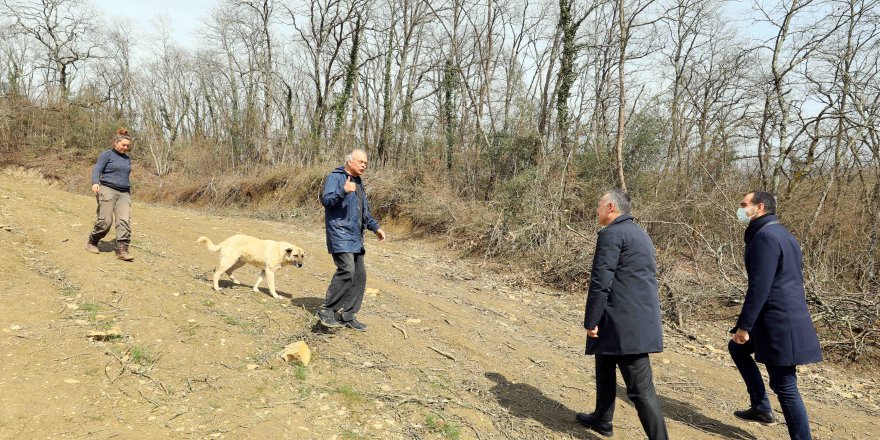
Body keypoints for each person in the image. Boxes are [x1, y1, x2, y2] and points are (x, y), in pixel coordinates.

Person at [728, 191, 822, 440]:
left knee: (785, 385)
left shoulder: (766, 237)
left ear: (759, 208)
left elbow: (760, 286)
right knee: (737, 349)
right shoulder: (782, 233)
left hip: (779, 323)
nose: (740, 209)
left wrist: (744, 326)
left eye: (743, 205)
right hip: (778, 317)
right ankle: (760, 407)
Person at [577, 190, 669, 439]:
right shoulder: (638, 232)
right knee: (604, 363)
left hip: (626, 325)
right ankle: (602, 419)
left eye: (598, 206)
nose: (596, 211)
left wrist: (591, 320)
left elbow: (601, 280)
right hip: (625, 317)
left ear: (610, 207)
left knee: (640, 390)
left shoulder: (613, 234)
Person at [316, 149, 386, 331]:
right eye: (361, 162)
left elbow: (364, 212)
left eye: (366, 163)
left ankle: (348, 315)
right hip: (339, 233)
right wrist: (342, 190)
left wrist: (375, 228)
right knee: (347, 270)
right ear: (350, 161)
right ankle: (327, 310)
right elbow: (327, 200)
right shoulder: (336, 177)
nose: (364, 165)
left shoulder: (358, 183)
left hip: (355, 236)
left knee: (359, 276)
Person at [85, 128, 134, 262]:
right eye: (123, 145)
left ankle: (122, 250)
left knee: (124, 220)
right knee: (106, 221)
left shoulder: (127, 159)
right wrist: (95, 183)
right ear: (115, 143)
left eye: (128, 146)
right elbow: (97, 170)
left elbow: (125, 176)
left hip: (124, 193)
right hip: (107, 188)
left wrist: (128, 193)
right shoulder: (106, 155)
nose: (126, 147)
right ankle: (93, 241)